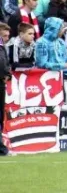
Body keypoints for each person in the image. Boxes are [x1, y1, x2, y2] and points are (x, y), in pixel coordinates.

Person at [0, 26, 10, 155]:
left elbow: (6, 63)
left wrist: (8, 74)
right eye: (4, 36)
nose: (7, 39)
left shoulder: (2, 47)